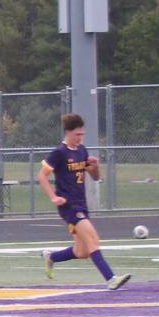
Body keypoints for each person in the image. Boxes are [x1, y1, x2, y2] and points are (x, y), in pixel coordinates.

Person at [39, 114, 131, 290]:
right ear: (68, 132)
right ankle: (111, 279)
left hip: (82, 204)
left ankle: (51, 257)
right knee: (93, 239)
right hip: (69, 206)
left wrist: (95, 166)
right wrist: (53, 196)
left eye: (82, 135)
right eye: (76, 135)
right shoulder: (59, 152)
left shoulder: (82, 150)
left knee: (82, 252)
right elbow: (42, 176)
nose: (79, 138)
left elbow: (95, 177)